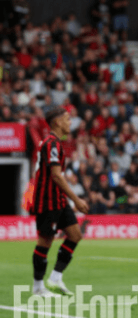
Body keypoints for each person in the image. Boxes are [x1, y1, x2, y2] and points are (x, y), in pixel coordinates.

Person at [30, 107, 89, 296]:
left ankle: (55, 278)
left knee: (75, 235)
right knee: (45, 241)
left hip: (58, 199)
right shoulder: (51, 143)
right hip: (48, 200)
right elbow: (56, 176)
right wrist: (76, 199)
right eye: (67, 119)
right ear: (57, 122)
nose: (70, 122)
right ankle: (38, 287)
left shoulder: (55, 143)